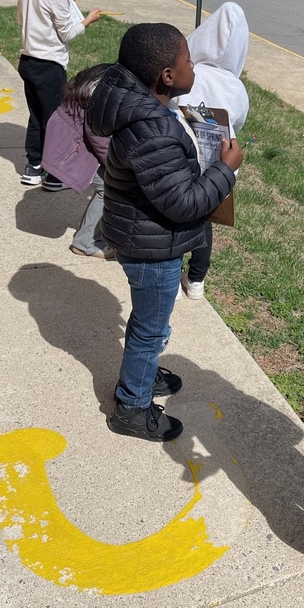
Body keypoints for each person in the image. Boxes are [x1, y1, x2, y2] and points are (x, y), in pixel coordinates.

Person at [86, 23, 243, 442]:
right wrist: (225, 170)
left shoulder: (140, 108)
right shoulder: (153, 129)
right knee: (150, 329)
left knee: (148, 322)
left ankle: (145, 372)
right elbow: (185, 203)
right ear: (167, 77)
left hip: (139, 234)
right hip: (152, 248)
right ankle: (132, 407)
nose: (194, 65)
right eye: (188, 60)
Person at [173, 2, 250, 300]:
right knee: (204, 220)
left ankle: (173, 272)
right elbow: (237, 122)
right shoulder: (236, 87)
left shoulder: (190, 73)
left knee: (175, 216)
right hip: (219, 164)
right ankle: (196, 280)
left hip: (183, 159)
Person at [16, 0, 102, 188]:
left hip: (28, 61)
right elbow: (67, 33)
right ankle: (55, 175)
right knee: (56, 120)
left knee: (36, 114)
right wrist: (87, 21)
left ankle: (33, 165)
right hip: (50, 64)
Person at [41, 64, 113, 260]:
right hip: (76, 146)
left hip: (73, 139)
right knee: (107, 188)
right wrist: (117, 166)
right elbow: (100, 142)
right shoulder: (98, 98)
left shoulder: (95, 80)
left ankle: (90, 236)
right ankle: (85, 242)